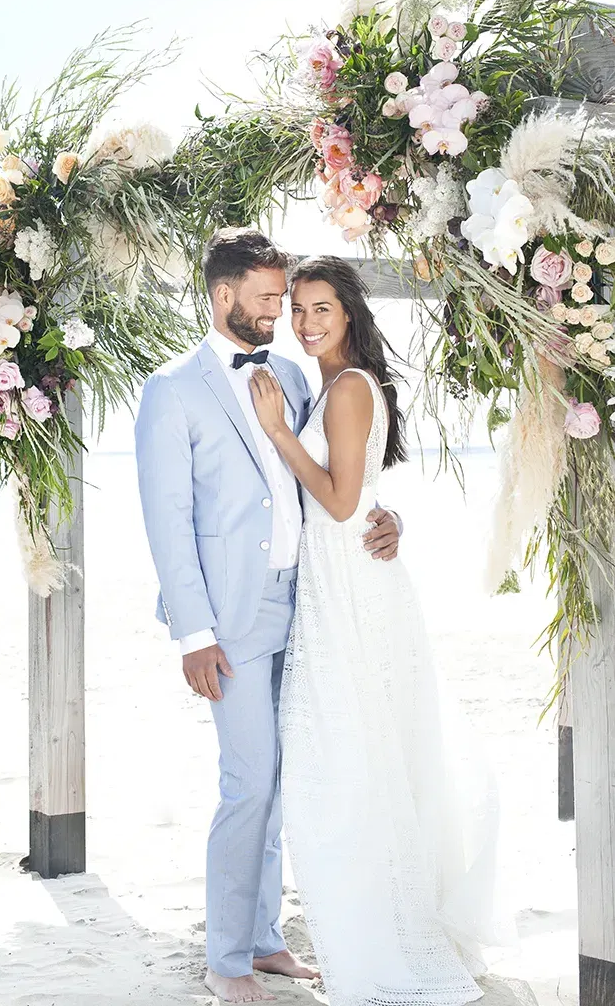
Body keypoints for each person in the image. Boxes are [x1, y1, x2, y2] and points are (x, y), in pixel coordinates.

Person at [134, 230, 401, 1005]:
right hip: (230, 618)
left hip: (310, 602)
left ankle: (264, 937)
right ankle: (226, 956)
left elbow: (336, 479)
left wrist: (387, 522)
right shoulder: (172, 389)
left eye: (285, 298)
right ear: (223, 296)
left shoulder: (289, 371)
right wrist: (194, 633)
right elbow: (168, 519)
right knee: (247, 783)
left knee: (286, 782)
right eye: (266, 298)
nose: (281, 312)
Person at [248, 255, 504, 1006]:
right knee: (361, 758)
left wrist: (274, 432)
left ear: (350, 314)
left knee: (351, 761)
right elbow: (365, 500)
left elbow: (337, 499)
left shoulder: (348, 388)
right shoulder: (332, 384)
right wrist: (390, 518)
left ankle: (384, 934)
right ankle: (376, 917)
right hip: (346, 582)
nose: (305, 322)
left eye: (321, 308)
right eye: (297, 308)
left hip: (354, 591)